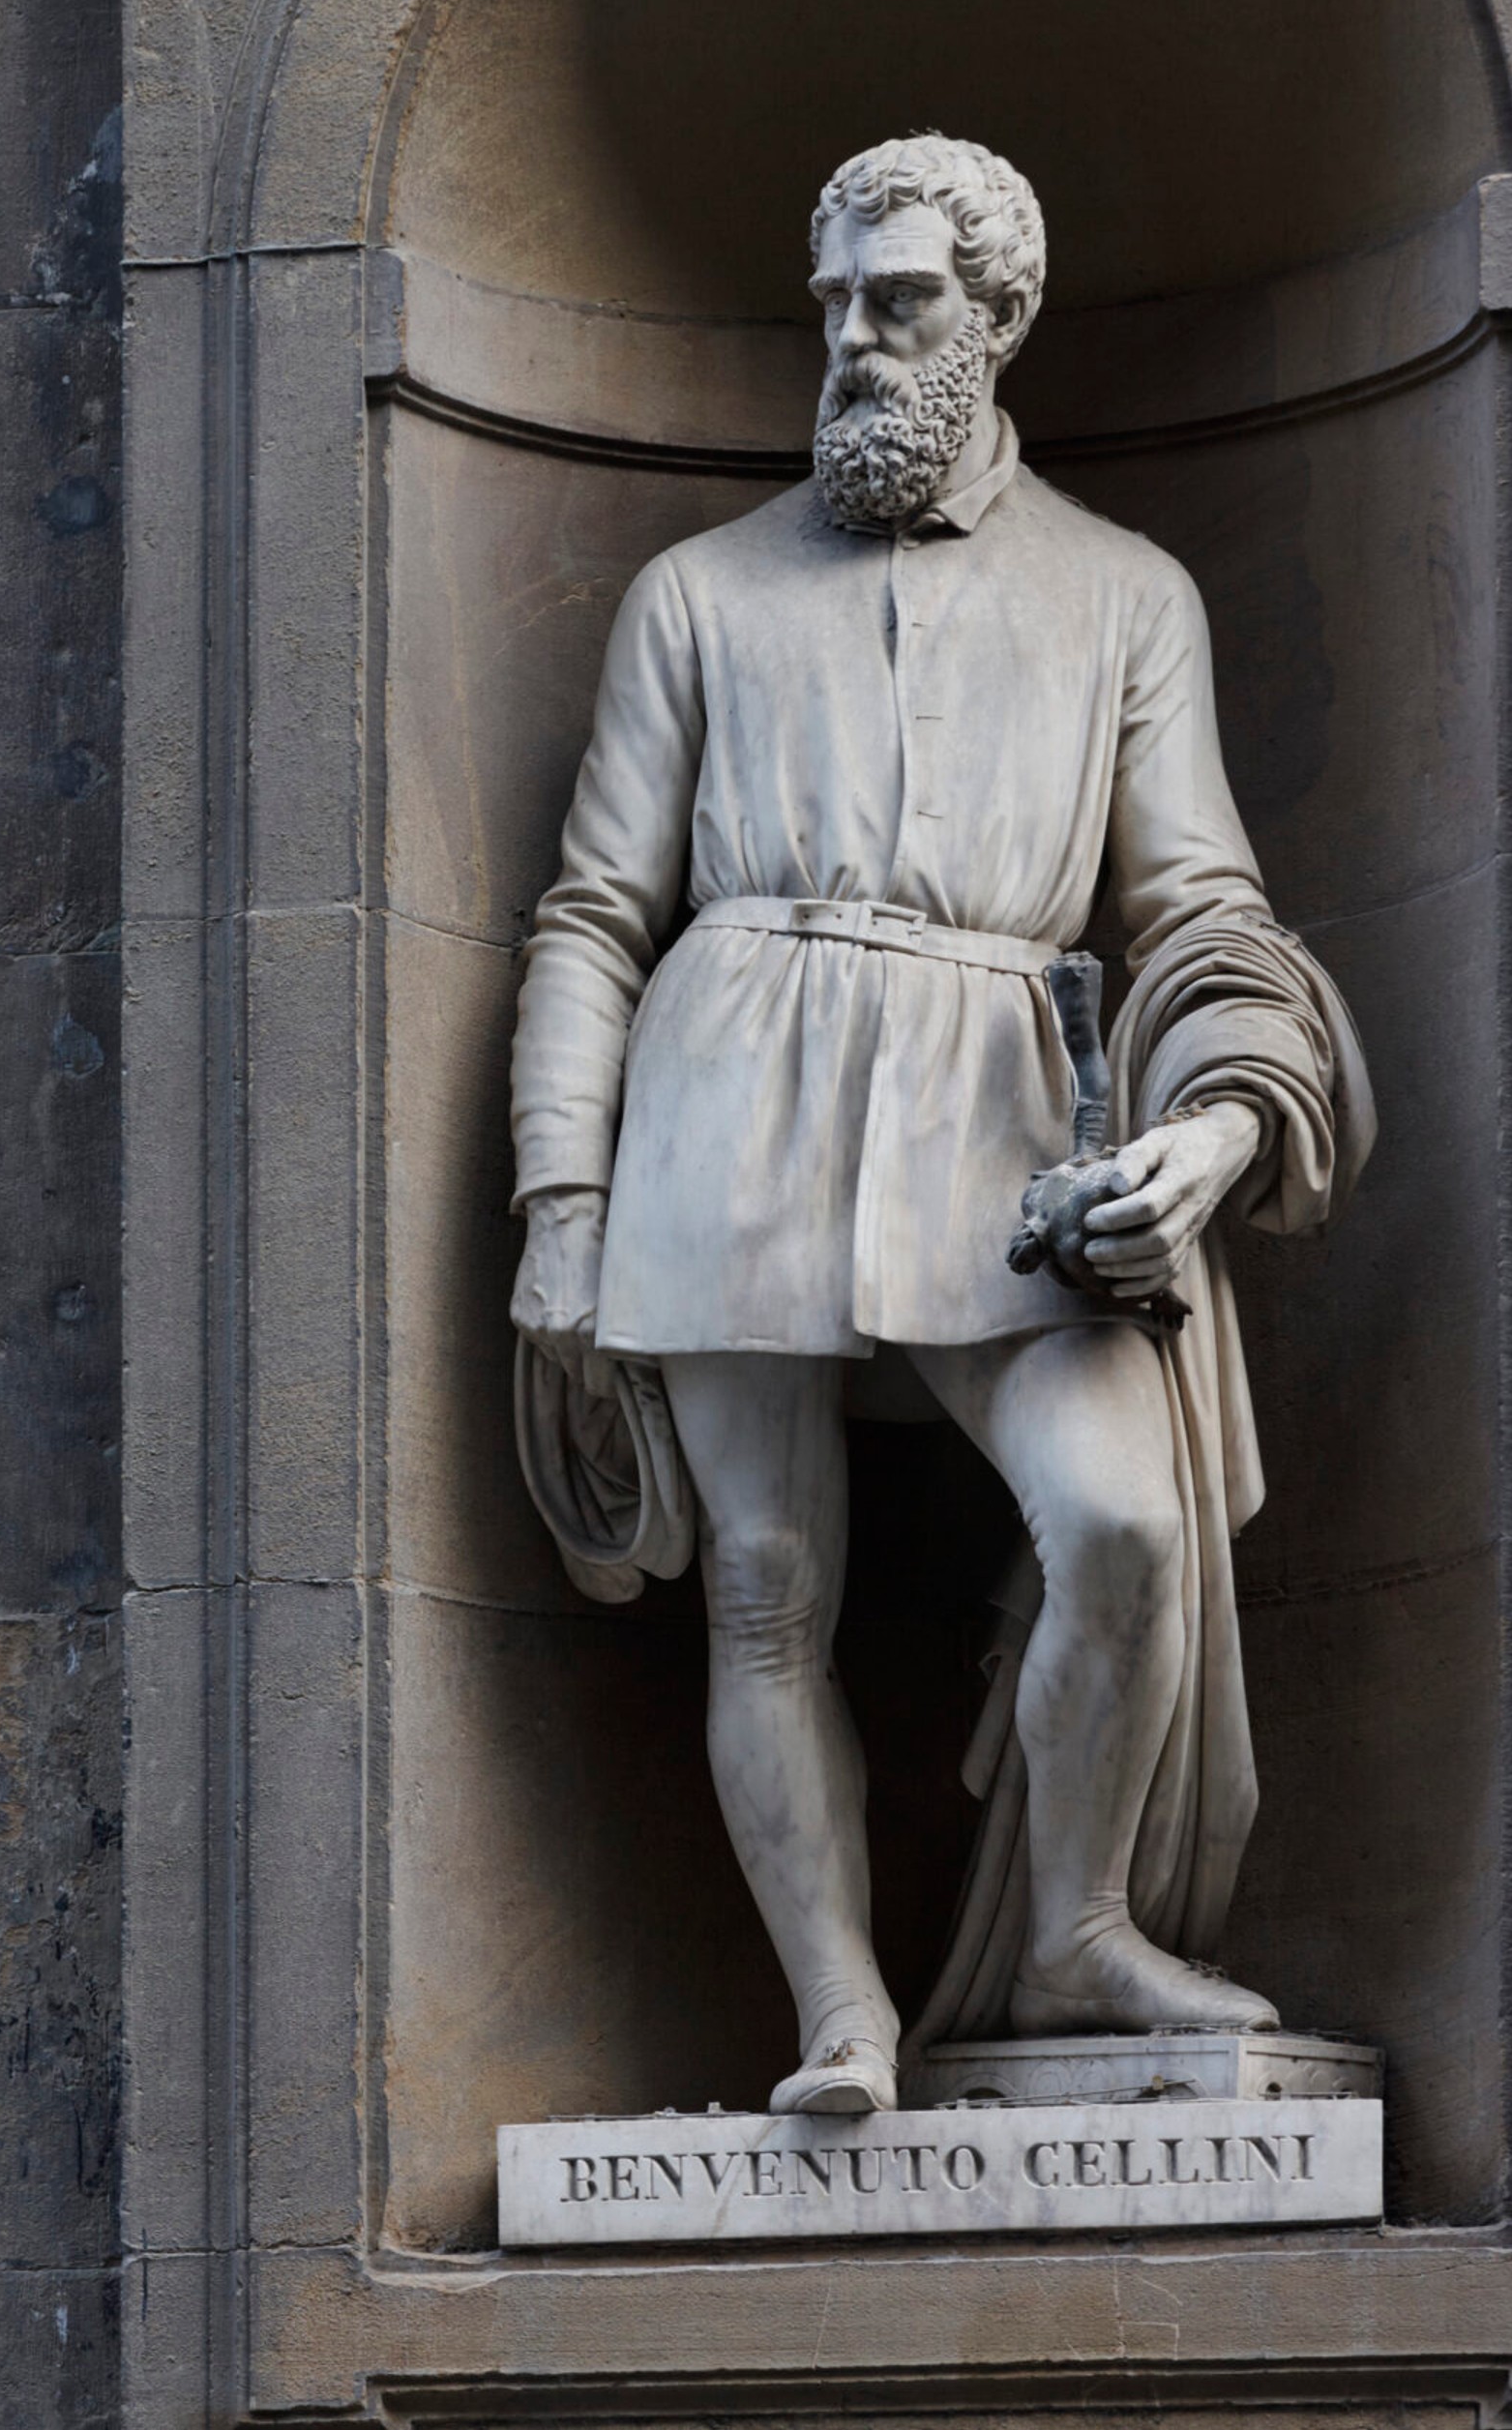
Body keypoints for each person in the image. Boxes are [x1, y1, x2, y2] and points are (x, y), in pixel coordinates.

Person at [505, 134, 1373, 2117]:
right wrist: (563, 1197)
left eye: (897, 299)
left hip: (1005, 1114)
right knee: (765, 1580)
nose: (853, 339)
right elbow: (592, 916)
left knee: (1125, 1521)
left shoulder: (1121, 597)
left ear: (998, 313)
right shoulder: (696, 596)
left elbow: (1207, 913)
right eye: (832, 302)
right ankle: (841, 2012)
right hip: (729, 1086)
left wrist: (1223, 1131)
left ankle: (1072, 1932)